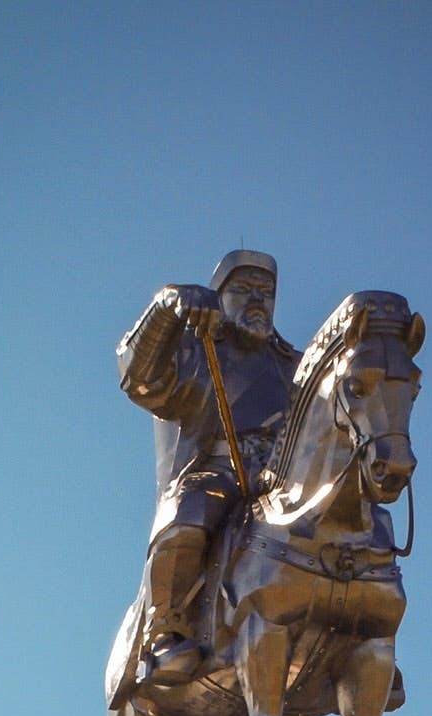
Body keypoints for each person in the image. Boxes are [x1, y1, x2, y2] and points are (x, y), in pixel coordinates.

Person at [115, 249, 300, 687]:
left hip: (285, 478)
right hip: (218, 469)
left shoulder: (293, 364)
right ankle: (166, 629)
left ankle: (359, 634)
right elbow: (137, 376)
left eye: (266, 292)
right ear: (219, 296)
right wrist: (166, 308)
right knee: (188, 512)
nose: (258, 300)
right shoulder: (194, 349)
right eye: (243, 289)